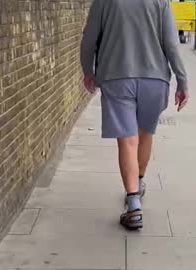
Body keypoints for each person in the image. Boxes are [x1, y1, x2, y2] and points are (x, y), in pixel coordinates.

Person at [80, 0, 189, 230]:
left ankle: (133, 205)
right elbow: (171, 43)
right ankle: (138, 182)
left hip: (116, 76)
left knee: (128, 141)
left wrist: (88, 71)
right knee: (145, 134)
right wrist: (182, 81)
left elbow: (89, 39)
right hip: (155, 78)